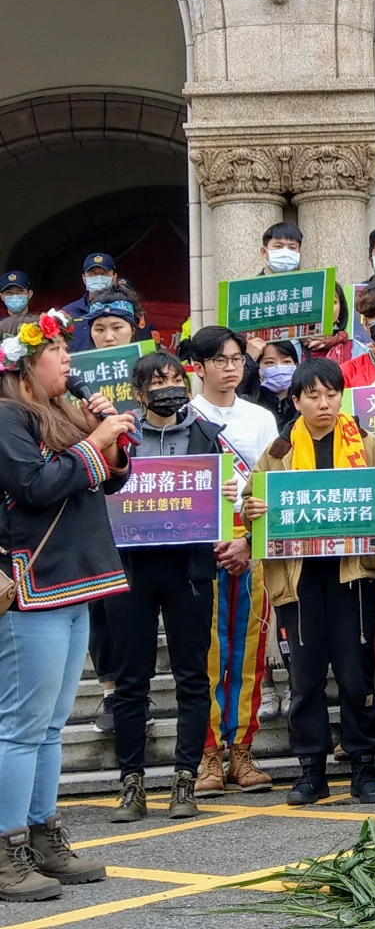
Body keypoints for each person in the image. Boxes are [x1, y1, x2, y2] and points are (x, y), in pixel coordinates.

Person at [0, 309, 130, 902]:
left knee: (51, 725)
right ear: (27, 366)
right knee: (22, 727)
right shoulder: (7, 417)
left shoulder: (60, 413)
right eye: (58, 352)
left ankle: (44, 836)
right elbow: (33, 487)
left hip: (76, 579)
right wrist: (95, 443)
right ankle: (6, 849)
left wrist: (110, 441)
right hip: (35, 585)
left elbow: (105, 482)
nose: (70, 361)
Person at [238, 358, 375, 806]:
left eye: (332, 393)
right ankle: (311, 771)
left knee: (355, 676)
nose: (324, 403)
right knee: (304, 680)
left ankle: (363, 767)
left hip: (353, 577)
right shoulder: (279, 451)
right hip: (296, 581)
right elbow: (253, 502)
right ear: (297, 400)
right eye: (313, 395)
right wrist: (251, 513)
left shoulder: (366, 443)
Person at [104, 352, 230, 824]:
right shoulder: (120, 437)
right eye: (157, 382)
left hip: (190, 570)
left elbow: (228, 493)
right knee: (131, 681)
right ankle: (131, 785)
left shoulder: (206, 434)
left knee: (192, 676)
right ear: (138, 394)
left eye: (176, 379)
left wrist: (230, 500)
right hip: (130, 571)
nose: (168, 388)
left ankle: (184, 779)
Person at [183, 326, 280, 796]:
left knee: (247, 654)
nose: (231, 367)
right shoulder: (184, 416)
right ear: (198, 366)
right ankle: (207, 758)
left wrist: (247, 541)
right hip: (199, 552)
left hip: (248, 547)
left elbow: (269, 486)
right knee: (204, 654)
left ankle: (242, 750)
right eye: (220, 359)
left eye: (238, 358)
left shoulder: (261, 418)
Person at [257, 224, 351, 361]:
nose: (285, 252)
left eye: (292, 247)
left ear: (299, 253)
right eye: (278, 246)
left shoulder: (308, 289)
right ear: (264, 252)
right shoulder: (249, 292)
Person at [246, 340, 301, 431]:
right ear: (258, 367)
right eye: (270, 363)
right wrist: (248, 359)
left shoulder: (303, 401)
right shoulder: (248, 400)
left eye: (286, 362)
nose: (279, 367)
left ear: (295, 365)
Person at [58, 252, 120, 330]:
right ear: (84, 278)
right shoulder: (68, 313)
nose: (98, 278)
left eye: (104, 273)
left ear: (114, 277)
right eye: (92, 273)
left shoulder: (125, 308)